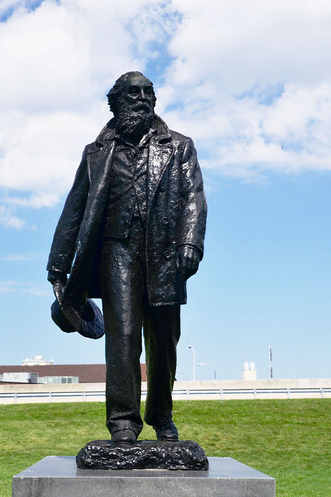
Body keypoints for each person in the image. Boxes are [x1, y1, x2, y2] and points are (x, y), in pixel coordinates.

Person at [47, 71, 207, 443]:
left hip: (165, 254)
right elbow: (74, 208)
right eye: (133, 92)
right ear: (115, 101)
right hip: (117, 251)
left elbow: (194, 198)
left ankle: (162, 415)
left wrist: (191, 242)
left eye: (148, 92)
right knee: (122, 338)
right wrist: (57, 266)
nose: (142, 98)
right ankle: (122, 420)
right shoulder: (97, 153)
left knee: (164, 341)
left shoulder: (179, 146)